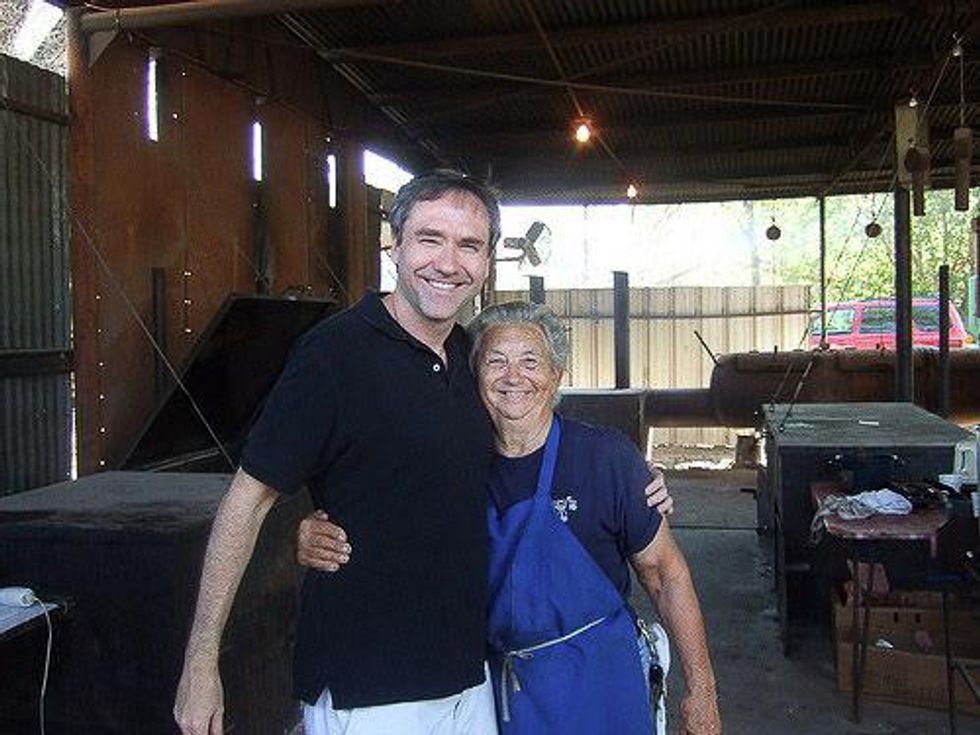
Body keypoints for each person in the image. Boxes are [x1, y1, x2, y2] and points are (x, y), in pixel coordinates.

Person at [174, 170, 505, 735]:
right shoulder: (332, 356)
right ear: (394, 245)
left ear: (487, 262)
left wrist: (627, 483)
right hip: (371, 688)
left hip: (469, 678)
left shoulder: (472, 358)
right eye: (430, 239)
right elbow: (247, 503)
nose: (449, 263)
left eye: (469, 245)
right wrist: (201, 663)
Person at [299, 301, 722, 734]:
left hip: (602, 683)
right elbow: (380, 514)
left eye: (530, 362)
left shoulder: (606, 459)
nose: (513, 377)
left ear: (556, 376)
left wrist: (702, 692)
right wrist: (313, 530)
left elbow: (666, 576)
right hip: (499, 691)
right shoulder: (450, 465)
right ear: (473, 376)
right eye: (496, 361)